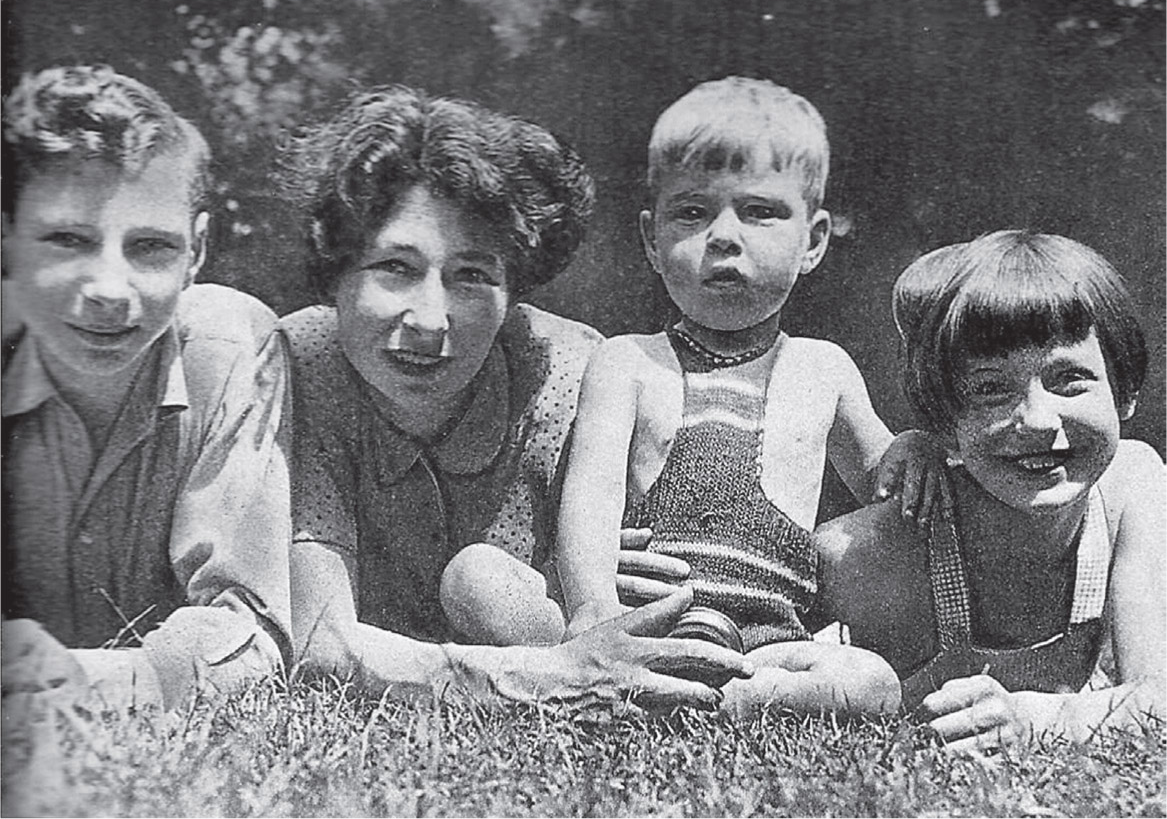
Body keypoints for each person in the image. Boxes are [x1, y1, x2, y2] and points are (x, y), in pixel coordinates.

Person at [280, 85, 751, 712]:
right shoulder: (299, 367)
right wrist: (546, 676)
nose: (430, 319)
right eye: (394, 266)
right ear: (334, 271)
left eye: (472, 276)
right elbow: (320, 644)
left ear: (516, 291)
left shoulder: (580, 377)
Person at [557, 76, 908, 718]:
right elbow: (590, 496)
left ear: (814, 241)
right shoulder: (627, 362)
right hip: (645, 626)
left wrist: (913, 451)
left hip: (766, 642)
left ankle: (731, 702)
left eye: (759, 211)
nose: (723, 234)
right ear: (651, 241)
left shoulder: (824, 369)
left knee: (872, 681)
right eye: (691, 212)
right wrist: (593, 616)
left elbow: (889, 491)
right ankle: (614, 678)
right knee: (479, 579)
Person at [1, 65, 292, 711]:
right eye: (68, 240)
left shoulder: (232, 348)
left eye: (151, 248)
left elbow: (251, 632)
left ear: (198, 251)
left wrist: (86, 680)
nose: (108, 289)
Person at [815, 230, 1165, 751]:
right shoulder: (863, 553)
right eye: (990, 390)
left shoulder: (1132, 486)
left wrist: (1040, 719)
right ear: (945, 419)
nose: (1038, 420)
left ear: (1126, 390)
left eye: (1070, 380)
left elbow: (1158, 700)